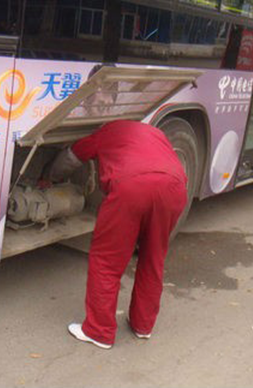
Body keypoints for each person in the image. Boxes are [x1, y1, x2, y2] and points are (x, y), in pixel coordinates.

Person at [49, 68, 188, 349]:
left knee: (107, 260)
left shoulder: (105, 132)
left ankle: (98, 331)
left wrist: (48, 177)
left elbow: (70, 159)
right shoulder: (152, 131)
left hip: (132, 188)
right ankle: (142, 326)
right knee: (153, 257)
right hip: (175, 188)